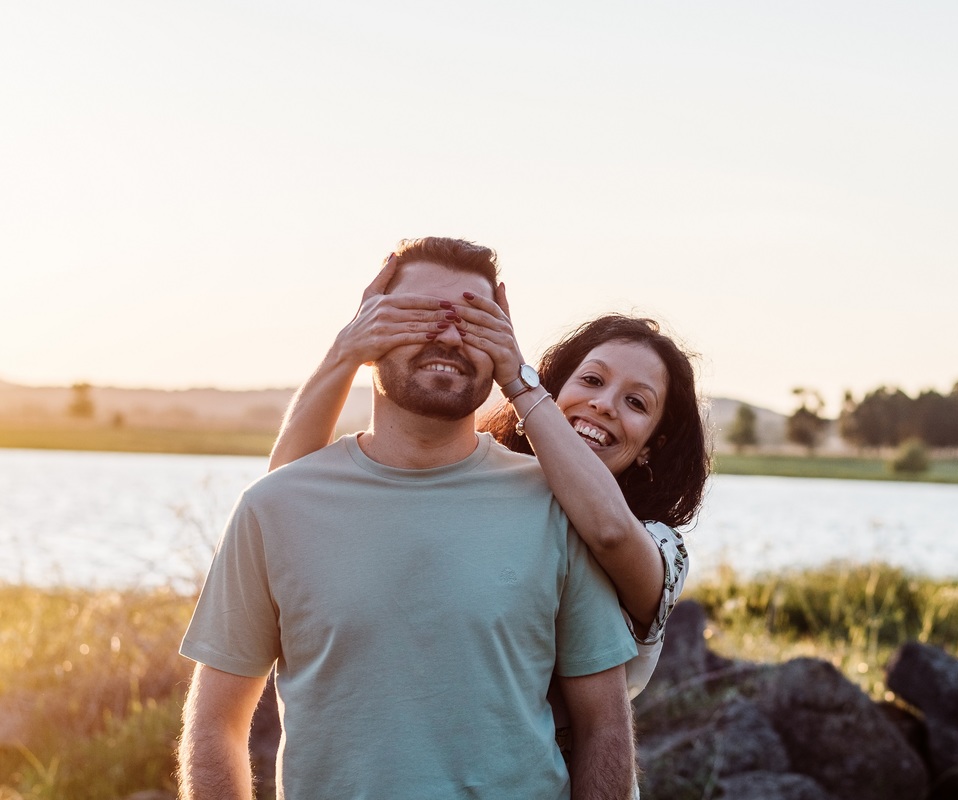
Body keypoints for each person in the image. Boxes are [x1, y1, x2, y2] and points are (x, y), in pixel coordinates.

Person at [178, 237, 639, 799]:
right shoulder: (273, 505)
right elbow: (215, 724)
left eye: (473, 322)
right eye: (417, 316)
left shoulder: (554, 505)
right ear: (369, 333)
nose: (448, 335)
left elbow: (606, 726)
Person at [269, 250, 710, 712]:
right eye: (592, 380)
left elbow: (609, 532)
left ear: (650, 449)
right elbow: (285, 495)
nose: (603, 404)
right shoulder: (489, 486)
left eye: (636, 403)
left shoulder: (661, 549)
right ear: (555, 391)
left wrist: (517, 379)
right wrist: (347, 350)